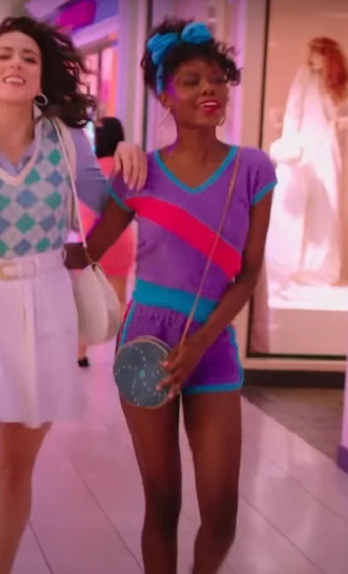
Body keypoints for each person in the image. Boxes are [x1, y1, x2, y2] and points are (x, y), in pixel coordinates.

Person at [0, 17, 146, 574]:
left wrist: (130, 155)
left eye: (29, 58)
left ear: (40, 78)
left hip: (47, 307)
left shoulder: (66, 141)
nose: (16, 63)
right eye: (5, 55)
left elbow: (110, 200)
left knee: (18, 471)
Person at [72, 19, 276, 574]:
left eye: (217, 79)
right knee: (162, 502)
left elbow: (249, 274)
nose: (208, 89)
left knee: (222, 513)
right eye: (190, 81)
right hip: (145, 341)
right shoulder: (140, 173)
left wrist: (201, 343)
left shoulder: (253, 168)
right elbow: (87, 252)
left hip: (211, 344)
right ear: (165, 96)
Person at [76, 116, 136, 367]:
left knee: (84, 299)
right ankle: (122, 350)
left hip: (92, 237)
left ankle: (80, 353)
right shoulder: (126, 168)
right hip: (121, 237)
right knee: (120, 298)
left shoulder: (90, 167)